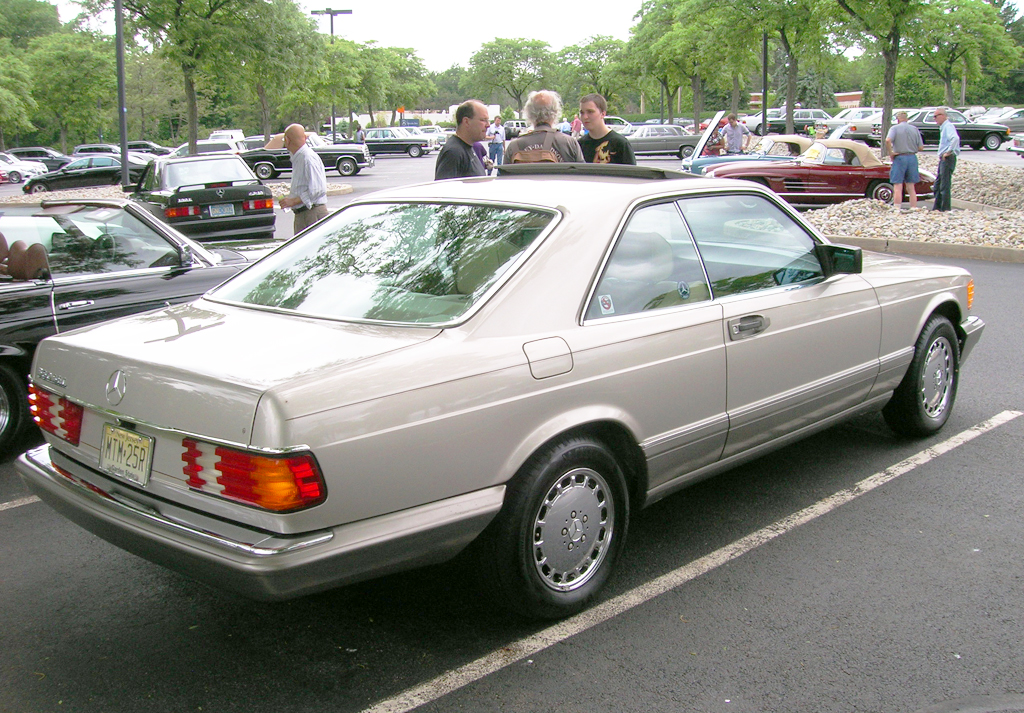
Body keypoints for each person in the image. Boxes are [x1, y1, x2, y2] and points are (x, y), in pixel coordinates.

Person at [504, 91, 584, 164]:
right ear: (555, 112)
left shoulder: (514, 146)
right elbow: (581, 176)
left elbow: (503, 177)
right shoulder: (569, 143)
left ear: (529, 113)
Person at [278, 123, 328, 233]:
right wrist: (290, 199)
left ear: (287, 140)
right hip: (304, 214)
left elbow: (318, 190)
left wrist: (293, 201)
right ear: (304, 138)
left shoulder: (307, 158)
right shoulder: (300, 157)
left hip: (311, 214)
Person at [434, 100, 490, 180]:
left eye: (488, 120)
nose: (488, 125)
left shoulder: (469, 147)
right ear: (466, 121)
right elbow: (444, 189)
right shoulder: (454, 153)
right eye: (483, 120)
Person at [578, 93, 636, 165]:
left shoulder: (620, 144)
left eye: (590, 112)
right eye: (582, 113)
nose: (585, 117)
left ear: (603, 114)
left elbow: (631, 173)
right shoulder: (580, 145)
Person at [885, 110, 925, 209]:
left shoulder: (894, 128)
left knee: (898, 185)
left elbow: (888, 140)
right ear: (907, 119)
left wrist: (891, 153)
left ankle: (897, 207)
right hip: (912, 157)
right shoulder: (914, 129)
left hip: (900, 157)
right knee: (911, 186)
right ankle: (913, 207)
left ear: (898, 119)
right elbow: (921, 147)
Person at [932, 106, 960, 212]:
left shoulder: (948, 126)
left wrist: (948, 152)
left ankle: (945, 208)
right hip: (943, 158)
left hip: (948, 158)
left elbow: (955, 138)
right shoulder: (943, 127)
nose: (934, 119)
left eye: (936, 116)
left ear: (943, 116)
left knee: (944, 184)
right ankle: (937, 207)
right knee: (938, 183)